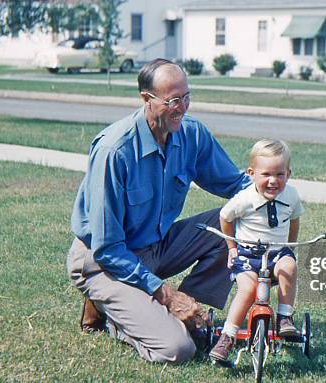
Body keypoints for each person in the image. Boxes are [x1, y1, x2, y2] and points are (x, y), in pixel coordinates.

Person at [66, 58, 248, 364]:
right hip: (104, 261)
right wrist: (165, 294)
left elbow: (234, 184)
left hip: (156, 247)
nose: (183, 107)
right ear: (146, 99)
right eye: (173, 100)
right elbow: (108, 247)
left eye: (187, 97)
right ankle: (109, 312)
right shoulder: (114, 151)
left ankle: (192, 315)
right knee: (177, 349)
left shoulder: (192, 134)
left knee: (235, 221)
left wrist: (271, 191)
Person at [209, 139, 304, 363]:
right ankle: (228, 336)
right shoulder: (245, 198)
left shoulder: (291, 195)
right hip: (248, 255)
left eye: (280, 174)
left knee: (289, 266)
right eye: (266, 175)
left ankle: (284, 317)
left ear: (288, 174)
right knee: (248, 287)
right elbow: (225, 217)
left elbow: (295, 219)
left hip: (277, 252)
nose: (273, 181)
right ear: (251, 173)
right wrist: (232, 248)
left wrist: (290, 247)